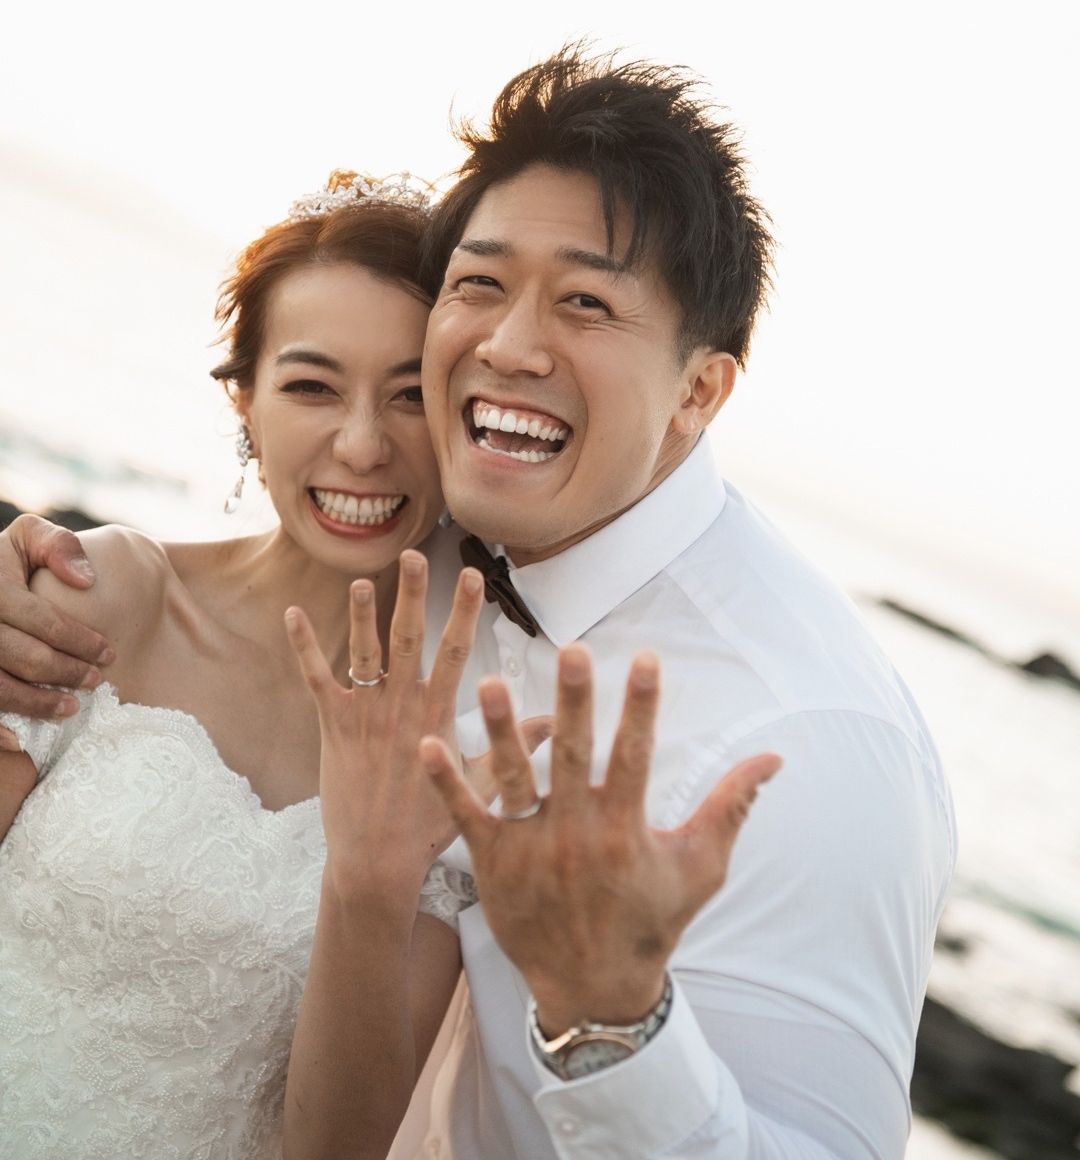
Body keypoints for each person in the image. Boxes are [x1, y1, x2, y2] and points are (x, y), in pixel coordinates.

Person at [0, 46, 956, 1159]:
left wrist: (614, 1021)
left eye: (586, 301)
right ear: (242, 401)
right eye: (481, 284)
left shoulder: (809, 736)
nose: (506, 348)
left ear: (699, 389)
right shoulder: (415, 561)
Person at [0, 172, 494, 1160]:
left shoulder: (454, 744)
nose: (363, 445)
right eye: (312, 386)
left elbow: (338, 1146)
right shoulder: (108, 595)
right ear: (246, 404)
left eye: (411, 395)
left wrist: (372, 876)